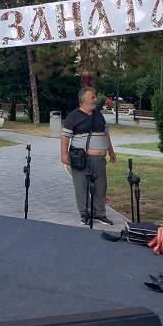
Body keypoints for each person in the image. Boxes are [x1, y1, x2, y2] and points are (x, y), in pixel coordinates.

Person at [61, 87, 117, 225]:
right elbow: (65, 136)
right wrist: (64, 154)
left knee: (100, 186)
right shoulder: (73, 116)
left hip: (99, 159)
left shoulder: (99, 115)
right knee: (82, 187)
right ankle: (85, 213)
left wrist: (111, 150)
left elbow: (106, 134)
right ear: (84, 100)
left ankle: (99, 214)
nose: (96, 99)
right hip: (81, 158)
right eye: (93, 97)